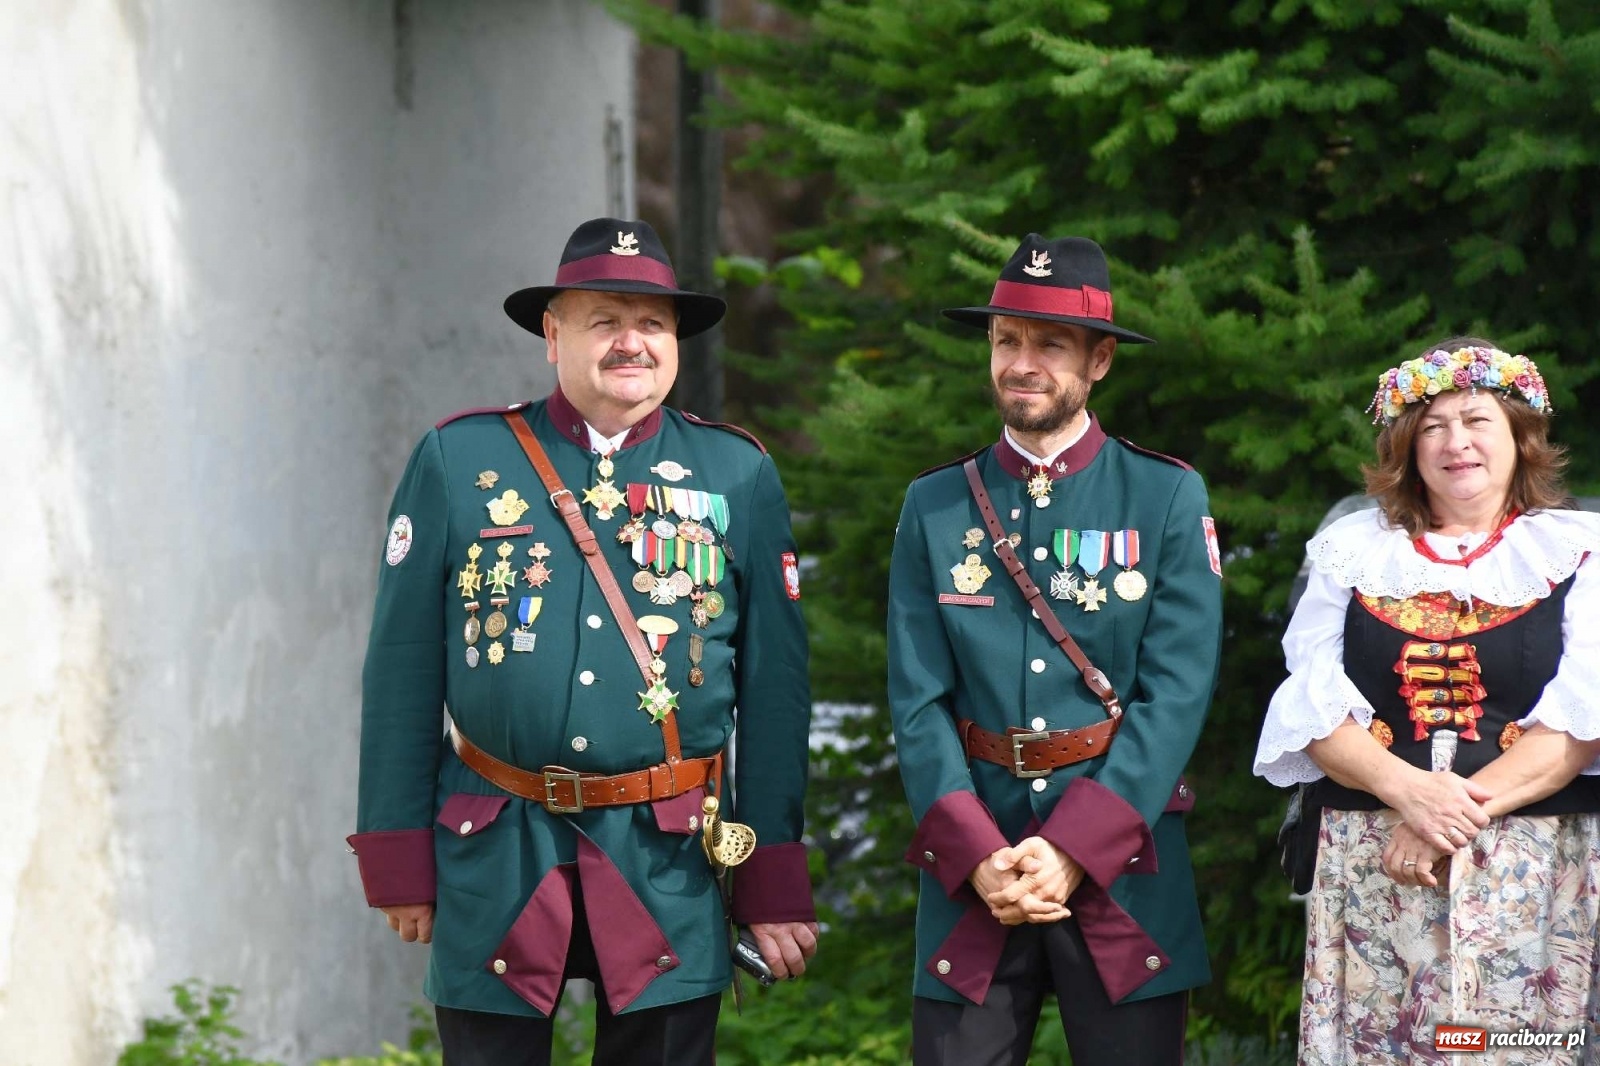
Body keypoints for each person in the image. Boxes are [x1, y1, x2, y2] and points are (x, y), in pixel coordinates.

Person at [347, 217, 819, 1066]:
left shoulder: (736, 474)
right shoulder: (461, 460)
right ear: (552, 335)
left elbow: (775, 694)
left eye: (653, 324)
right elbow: (402, 671)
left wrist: (772, 879)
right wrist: (396, 855)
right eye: (605, 320)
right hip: (497, 845)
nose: (631, 342)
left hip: (666, 857)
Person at [887, 234, 1222, 1065]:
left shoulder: (1166, 494)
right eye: (1006, 340)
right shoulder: (934, 505)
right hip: (979, 867)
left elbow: (1176, 694)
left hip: (1124, 859)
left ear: (1099, 360)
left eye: (1049, 343)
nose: (1022, 362)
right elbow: (917, 698)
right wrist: (974, 851)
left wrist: (1076, 848)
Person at [1253, 338, 1600, 1064]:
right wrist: (1408, 794)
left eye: (1478, 421)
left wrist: (1444, 817)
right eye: (1433, 426)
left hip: (1530, 867)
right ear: (1408, 448)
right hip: (1376, 860)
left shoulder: (1581, 550)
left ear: (1519, 437)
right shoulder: (1349, 550)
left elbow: (1581, 719)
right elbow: (1312, 706)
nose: (1456, 442)